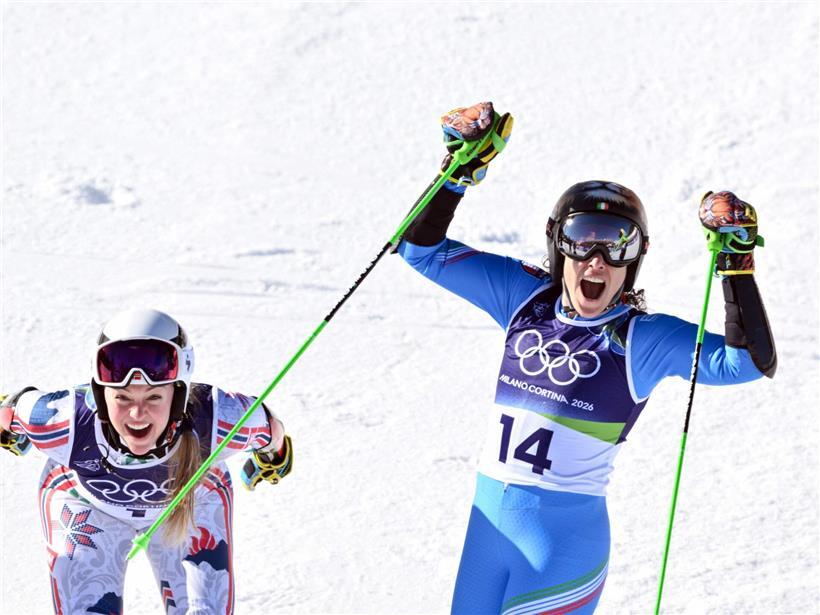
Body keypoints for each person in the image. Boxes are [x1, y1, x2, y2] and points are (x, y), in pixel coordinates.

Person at [397, 102, 776, 614]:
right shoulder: (523, 298)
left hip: (561, 556)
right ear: (558, 244)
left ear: (635, 259)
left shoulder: (641, 339)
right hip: (486, 540)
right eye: (581, 239)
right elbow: (420, 250)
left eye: (618, 244)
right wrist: (457, 173)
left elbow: (748, 363)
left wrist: (736, 264)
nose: (597, 261)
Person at [0, 308, 293, 614]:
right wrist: (272, 460)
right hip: (86, 505)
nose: (137, 415)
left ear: (178, 395)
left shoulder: (220, 418)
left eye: (154, 398)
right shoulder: (62, 421)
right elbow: (11, 410)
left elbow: (270, 430)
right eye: (122, 398)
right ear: (101, 395)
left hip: (190, 502)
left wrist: (272, 455)